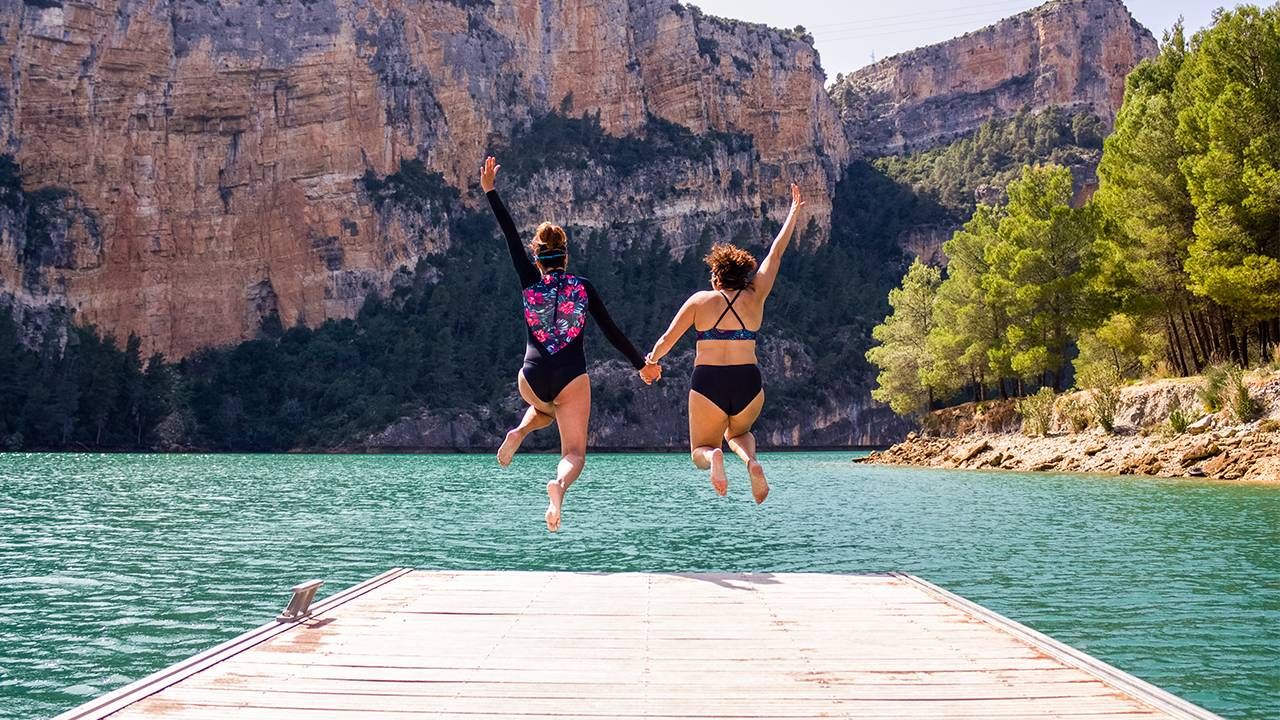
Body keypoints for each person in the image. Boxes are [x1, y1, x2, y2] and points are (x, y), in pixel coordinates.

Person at [480, 156, 660, 531]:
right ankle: (559, 485)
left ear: (537, 258)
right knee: (574, 452)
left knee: (544, 411)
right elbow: (611, 332)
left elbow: (510, 236)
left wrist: (491, 191)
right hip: (571, 377)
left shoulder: (529, 282)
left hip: (530, 376)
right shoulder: (583, 288)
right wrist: (642, 365)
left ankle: (520, 431)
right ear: (565, 256)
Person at [643, 183, 805, 504]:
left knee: (699, 450)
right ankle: (750, 462)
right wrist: (794, 211)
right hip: (748, 382)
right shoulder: (754, 297)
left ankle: (714, 458)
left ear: (715, 278)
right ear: (743, 276)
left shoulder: (700, 301)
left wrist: (651, 362)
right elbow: (776, 252)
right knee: (739, 433)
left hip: (709, 382)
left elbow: (665, 341)